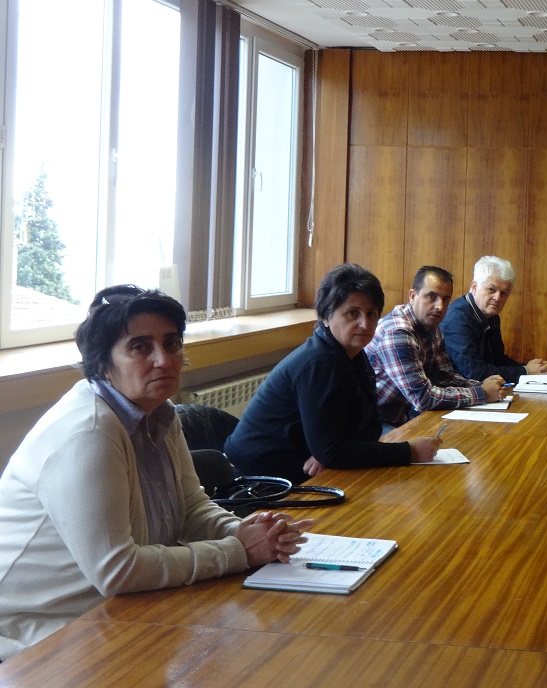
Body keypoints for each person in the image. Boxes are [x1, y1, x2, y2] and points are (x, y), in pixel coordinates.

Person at [0, 285, 311, 661]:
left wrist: (249, 532)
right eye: (140, 347)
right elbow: (117, 570)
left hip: (114, 609)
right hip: (34, 629)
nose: (163, 360)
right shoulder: (89, 433)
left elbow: (191, 508)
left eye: (172, 343)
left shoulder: (160, 413)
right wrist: (238, 551)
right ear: (102, 362)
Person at [224, 264, 440, 483]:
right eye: (352, 313)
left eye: (371, 313)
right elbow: (333, 451)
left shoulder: (355, 355)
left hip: (298, 470)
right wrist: (409, 452)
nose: (365, 324)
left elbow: (370, 428)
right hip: (257, 478)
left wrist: (329, 452)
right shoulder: (319, 363)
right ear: (326, 316)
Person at [366, 265, 504, 429]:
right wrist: (482, 393)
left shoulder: (432, 327)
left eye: (445, 299)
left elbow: (444, 377)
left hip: (403, 415)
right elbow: (423, 398)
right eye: (432, 296)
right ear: (412, 296)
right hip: (375, 422)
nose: (440, 307)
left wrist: (481, 385)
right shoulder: (398, 332)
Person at [441, 255, 547, 382]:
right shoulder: (456, 319)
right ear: (474, 287)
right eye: (491, 289)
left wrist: (534, 369)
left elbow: (497, 361)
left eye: (504, 293)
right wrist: (525, 371)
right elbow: (473, 371)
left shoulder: (492, 317)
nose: (497, 298)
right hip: (457, 389)